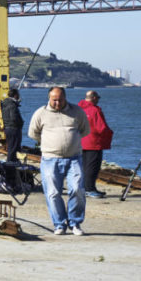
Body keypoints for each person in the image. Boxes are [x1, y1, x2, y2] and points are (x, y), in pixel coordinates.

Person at [27, 86, 91, 235]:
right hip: (50, 159)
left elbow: (85, 130)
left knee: (77, 189)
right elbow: (33, 133)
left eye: (60, 100)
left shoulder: (77, 112)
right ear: (49, 98)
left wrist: (70, 141)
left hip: (74, 158)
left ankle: (75, 223)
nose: (57, 103)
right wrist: (49, 143)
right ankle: (59, 224)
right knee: (53, 193)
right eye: (54, 100)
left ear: (65, 98)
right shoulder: (40, 113)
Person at [79, 90, 114, 198]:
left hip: (81, 141)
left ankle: (86, 188)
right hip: (93, 142)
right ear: (93, 98)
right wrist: (110, 133)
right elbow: (101, 128)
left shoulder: (79, 109)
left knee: (84, 166)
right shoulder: (95, 110)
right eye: (98, 97)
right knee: (92, 167)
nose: (98, 99)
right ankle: (89, 189)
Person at [0, 86, 23, 164]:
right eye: (18, 94)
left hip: (7, 128)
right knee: (13, 148)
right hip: (14, 129)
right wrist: (20, 123)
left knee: (11, 146)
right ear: (15, 95)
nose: (19, 96)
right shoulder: (12, 105)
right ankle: (10, 163)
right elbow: (14, 118)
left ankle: (12, 162)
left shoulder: (5, 103)